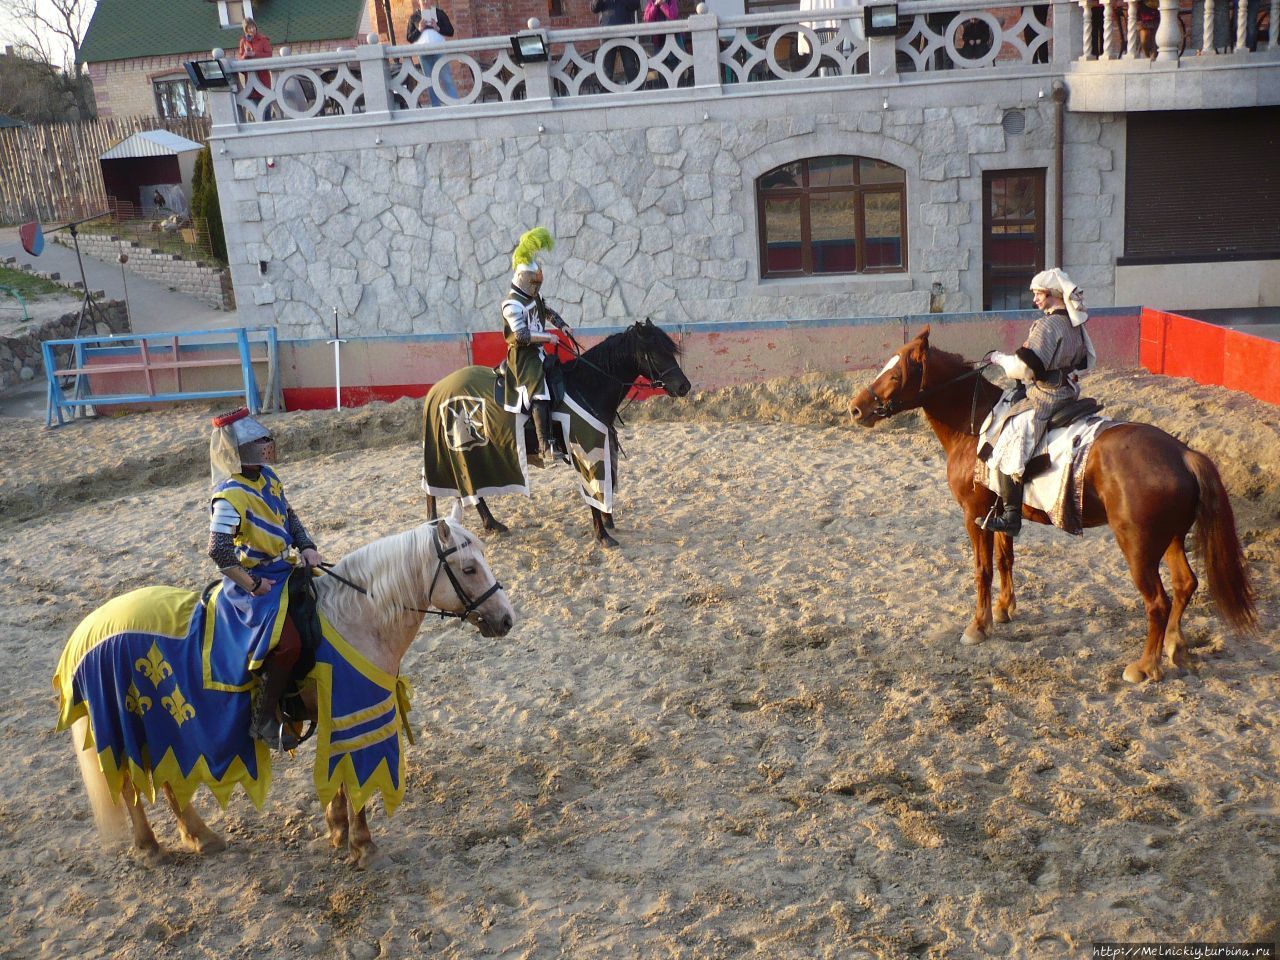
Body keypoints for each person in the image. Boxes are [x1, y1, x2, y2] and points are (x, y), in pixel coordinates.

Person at [208, 408, 323, 750]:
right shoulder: (229, 495)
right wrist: (253, 584)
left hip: (284, 567)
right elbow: (219, 552)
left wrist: (306, 545)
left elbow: (288, 515)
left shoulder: (269, 477)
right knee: (286, 644)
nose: (265, 444)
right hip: (253, 583)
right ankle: (263, 719)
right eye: (256, 441)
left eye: (263, 438)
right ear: (237, 450)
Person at [978, 268, 1097, 536]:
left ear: (1053, 294)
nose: (1035, 301)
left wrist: (999, 359)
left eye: (1038, 294)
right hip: (1068, 390)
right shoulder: (1073, 323)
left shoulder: (1048, 325)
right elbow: (1084, 361)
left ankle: (1010, 516)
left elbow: (1026, 369)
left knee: (1010, 435)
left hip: (1046, 396)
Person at [499, 227, 574, 461]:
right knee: (539, 391)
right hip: (523, 357)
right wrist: (548, 337)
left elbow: (546, 311)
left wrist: (561, 325)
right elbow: (521, 336)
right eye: (533, 282)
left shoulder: (533, 297)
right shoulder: (511, 304)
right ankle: (545, 446)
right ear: (523, 279)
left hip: (538, 351)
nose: (536, 287)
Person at [406, 1, 459, 106]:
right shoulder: (414, 17)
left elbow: (450, 31)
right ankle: (436, 107)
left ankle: (456, 104)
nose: (425, 1)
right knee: (430, 82)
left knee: (446, 78)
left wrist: (437, 27)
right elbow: (409, 38)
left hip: (439, 50)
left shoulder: (439, 13)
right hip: (423, 53)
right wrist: (419, 29)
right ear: (418, 1)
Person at [592, 0, 642, 83]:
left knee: (630, 66)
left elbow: (635, 5)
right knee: (606, 68)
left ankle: (635, 92)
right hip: (607, 33)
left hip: (626, 32)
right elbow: (594, 8)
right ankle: (606, 94)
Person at [237, 18, 273, 96]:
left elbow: (269, 55)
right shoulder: (243, 42)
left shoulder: (263, 40)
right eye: (249, 28)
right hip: (250, 78)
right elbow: (240, 60)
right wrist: (245, 56)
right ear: (245, 30)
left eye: (253, 27)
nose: (252, 29)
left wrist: (255, 54)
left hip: (263, 76)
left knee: (265, 101)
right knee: (252, 102)